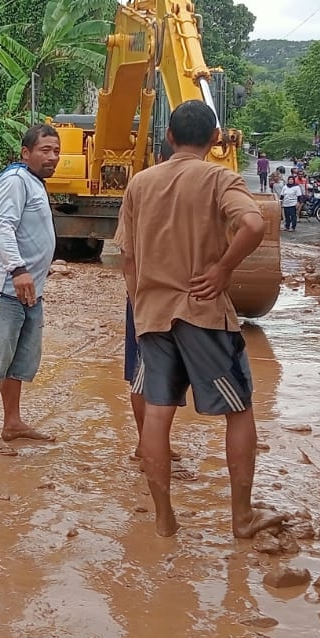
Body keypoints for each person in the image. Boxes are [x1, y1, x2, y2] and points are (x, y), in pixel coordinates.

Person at [116, 100, 288, 540]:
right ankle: (241, 517)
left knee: (157, 413)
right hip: (204, 314)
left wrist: (141, 304)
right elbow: (252, 224)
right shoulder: (219, 178)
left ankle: (164, 518)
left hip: (153, 315)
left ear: (169, 137)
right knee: (239, 410)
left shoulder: (140, 183)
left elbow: (128, 257)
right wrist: (224, 269)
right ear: (216, 139)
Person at [0, 124, 62, 456]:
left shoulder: (35, 183)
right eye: (45, 150)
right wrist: (20, 270)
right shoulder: (15, 181)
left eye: (56, 150)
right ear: (26, 153)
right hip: (6, 289)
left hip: (29, 290)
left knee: (18, 362)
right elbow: (3, 227)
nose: (52, 156)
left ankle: (12, 422)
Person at [123, 142, 195, 480]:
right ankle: (149, 447)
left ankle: (151, 443)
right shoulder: (150, 189)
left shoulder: (146, 189)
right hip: (157, 300)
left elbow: (127, 254)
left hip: (155, 299)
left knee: (157, 373)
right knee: (147, 375)